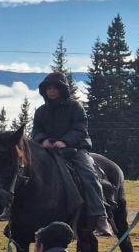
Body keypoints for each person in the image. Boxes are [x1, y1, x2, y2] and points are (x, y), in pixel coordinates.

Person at [29, 72, 113, 237]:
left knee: (89, 174)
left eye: (54, 88)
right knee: (24, 170)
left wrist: (65, 141)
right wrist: (43, 140)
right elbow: (36, 131)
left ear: (62, 89)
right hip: (47, 149)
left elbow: (80, 129)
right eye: (48, 88)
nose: (51, 91)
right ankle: (12, 212)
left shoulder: (75, 107)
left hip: (74, 149)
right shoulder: (40, 111)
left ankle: (100, 215)